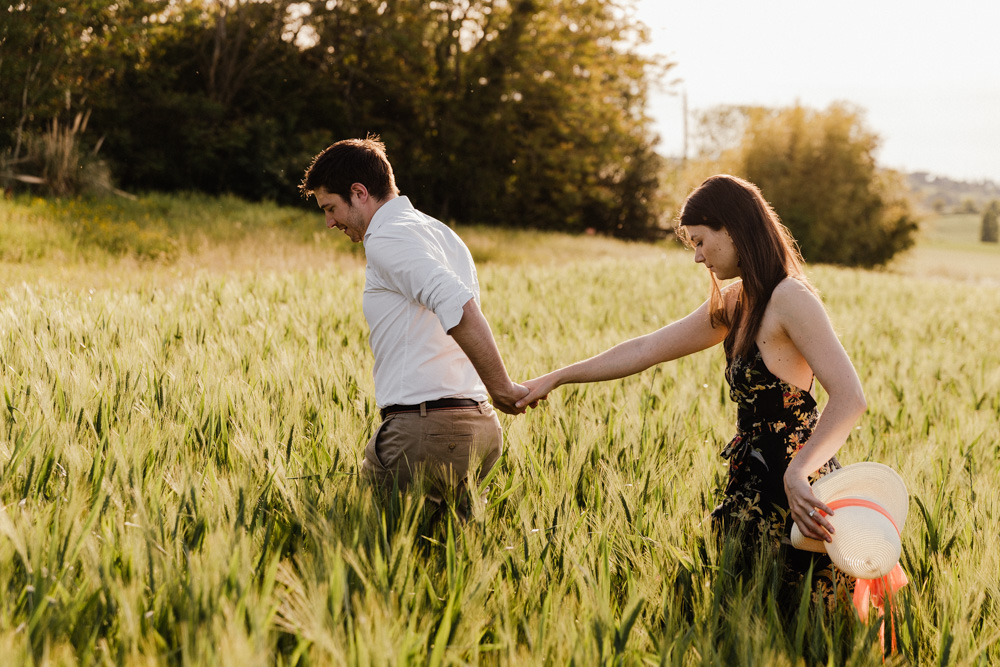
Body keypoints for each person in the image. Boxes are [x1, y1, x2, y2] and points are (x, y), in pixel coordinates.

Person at [516, 174, 867, 600]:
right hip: (751, 486)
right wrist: (557, 377)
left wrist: (798, 472)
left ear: (734, 229)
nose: (698, 257)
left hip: (799, 491)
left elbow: (849, 397)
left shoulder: (790, 298)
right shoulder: (738, 302)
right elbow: (646, 348)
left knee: (802, 619)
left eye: (700, 241)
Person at [300, 136, 528, 511]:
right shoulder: (439, 232)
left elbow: (459, 305)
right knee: (448, 562)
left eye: (330, 208)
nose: (329, 222)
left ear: (359, 193)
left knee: (373, 549)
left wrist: (501, 386)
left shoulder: (386, 237)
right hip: (477, 425)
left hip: (426, 431)